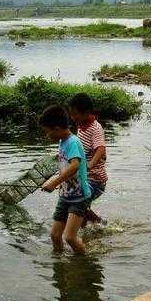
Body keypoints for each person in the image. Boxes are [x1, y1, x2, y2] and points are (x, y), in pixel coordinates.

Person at [39, 105, 92, 254]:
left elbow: (75, 166)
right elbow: (67, 161)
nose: (47, 135)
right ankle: (59, 264)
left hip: (79, 197)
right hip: (65, 195)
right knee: (55, 236)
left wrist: (54, 182)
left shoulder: (72, 142)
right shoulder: (63, 142)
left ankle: (85, 262)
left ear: (56, 128)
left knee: (69, 237)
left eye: (47, 131)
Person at [67, 93, 107, 225]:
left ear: (86, 112)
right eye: (71, 114)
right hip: (84, 177)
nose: (72, 118)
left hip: (95, 179)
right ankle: (93, 230)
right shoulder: (82, 127)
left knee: (77, 205)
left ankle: (100, 224)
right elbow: (81, 148)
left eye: (75, 114)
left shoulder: (95, 128)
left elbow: (101, 149)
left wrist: (90, 164)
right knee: (78, 209)